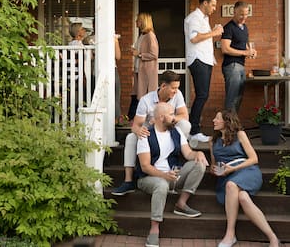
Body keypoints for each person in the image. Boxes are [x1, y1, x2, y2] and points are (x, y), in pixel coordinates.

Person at [136, 102, 208, 247]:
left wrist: (198, 153)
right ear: (162, 117)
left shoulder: (176, 131)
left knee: (198, 164)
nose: (174, 118)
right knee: (162, 185)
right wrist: (164, 176)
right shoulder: (146, 135)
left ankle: (181, 203)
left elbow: (188, 153)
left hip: (173, 175)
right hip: (149, 178)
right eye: (171, 115)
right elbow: (145, 167)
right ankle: (154, 229)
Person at [112, 70, 191, 196]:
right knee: (131, 138)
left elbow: (184, 115)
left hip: (170, 130)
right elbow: (135, 125)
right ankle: (128, 181)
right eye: (173, 88)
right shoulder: (146, 100)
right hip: (151, 135)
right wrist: (139, 131)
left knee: (186, 125)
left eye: (177, 88)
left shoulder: (178, 95)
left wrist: (169, 119)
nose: (175, 91)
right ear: (163, 86)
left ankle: (176, 156)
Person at [210, 110, 280, 247]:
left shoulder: (240, 135)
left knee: (231, 185)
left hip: (247, 171)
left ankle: (230, 234)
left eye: (217, 118)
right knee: (242, 197)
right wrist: (214, 170)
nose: (213, 120)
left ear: (226, 121)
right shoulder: (213, 141)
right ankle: (273, 237)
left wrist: (233, 169)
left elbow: (254, 158)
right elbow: (214, 165)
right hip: (226, 177)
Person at [184, 0, 223, 143]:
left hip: (205, 60)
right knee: (202, 95)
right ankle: (193, 131)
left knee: (203, 95)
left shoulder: (204, 18)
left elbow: (202, 36)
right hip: (198, 59)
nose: (214, 8)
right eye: (212, 5)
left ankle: (194, 129)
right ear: (204, 3)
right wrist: (214, 32)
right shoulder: (194, 17)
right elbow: (194, 38)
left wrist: (212, 30)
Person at [221, 1, 257, 112]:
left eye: (246, 14)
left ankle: (233, 125)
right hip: (232, 66)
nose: (244, 17)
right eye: (241, 14)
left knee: (239, 98)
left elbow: (244, 46)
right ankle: (227, 127)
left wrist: (251, 51)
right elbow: (225, 48)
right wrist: (245, 53)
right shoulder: (228, 27)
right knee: (231, 99)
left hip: (241, 66)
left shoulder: (244, 27)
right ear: (234, 12)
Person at [128, 12, 159, 120]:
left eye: (138, 20)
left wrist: (140, 54)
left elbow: (154, 54)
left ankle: (136, 118)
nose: (136, 22)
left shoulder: (150, 36)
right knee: (136, 94)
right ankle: (132, 118)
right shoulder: (142, 35)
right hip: (139, 70)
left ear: (143, 22)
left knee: (143, 96)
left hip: (146, 72)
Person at [115, 34, 122, 122]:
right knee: (116, 95)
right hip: (112, 69)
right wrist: (116, 41)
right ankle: (117, 119)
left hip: (94, 70)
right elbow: (118, 56)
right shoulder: (112, 39)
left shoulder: (89, 39)